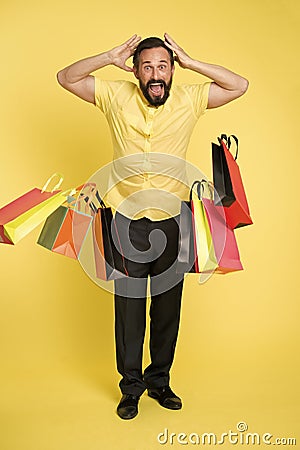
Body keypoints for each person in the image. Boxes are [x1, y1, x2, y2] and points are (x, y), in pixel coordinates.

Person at [57, 33, 248, 420]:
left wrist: (192, 62)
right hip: (124, 220)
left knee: (167, 308)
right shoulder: (114, 95)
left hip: (175, 221)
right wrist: (108, 56)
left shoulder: (191, 99)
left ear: (171, 69)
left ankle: (160, 381)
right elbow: (66, 77)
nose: (156, 74)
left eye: (163, 66)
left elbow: (238, 85)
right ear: (136, 70)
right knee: (128, 309)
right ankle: (131, 389)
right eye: (147, 67)